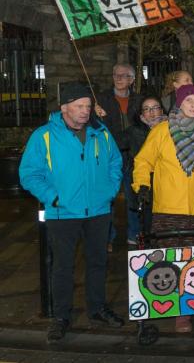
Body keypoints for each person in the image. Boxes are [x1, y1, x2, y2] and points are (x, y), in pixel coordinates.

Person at [19, 82, 125, 343]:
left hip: (98, 210)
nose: (85, 111)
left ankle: (97, 308)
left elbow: (115, 162)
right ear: (64, 108)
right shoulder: (43, 136)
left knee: (98, 262)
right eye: (79, 106)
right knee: (63, 267)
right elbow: (29, 174)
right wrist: (52, 197)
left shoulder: (101, 132)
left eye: (88, 106)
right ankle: (61, 316)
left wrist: (109, 191)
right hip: (63, 213)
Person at [132, 84, 194, 333]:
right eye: (189, 101)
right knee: (172, 259)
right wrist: (141, 185)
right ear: (179, 103)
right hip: (168, 207)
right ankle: (174, 308)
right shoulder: (162, 130)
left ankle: (191, 308)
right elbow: (143, 160)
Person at [95, 63, 143, 248]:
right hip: (109, 155)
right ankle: (108, 237)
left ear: (131, 80)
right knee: (108, 197)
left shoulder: (139, 100)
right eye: (116, 74)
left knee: (134, 196)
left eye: (124, 75)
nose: (119, 78)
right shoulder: (101, 99)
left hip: (133, 155)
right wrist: (95, 114)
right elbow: (92, 125)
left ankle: (134, 235)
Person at [124, 96, 167, 241]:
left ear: (161, 110)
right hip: (145, 182)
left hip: (166, 180)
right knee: (148, 220)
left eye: (155, 108)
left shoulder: (172, 128)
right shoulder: (134, 131)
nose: (152, 112)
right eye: (147, 109)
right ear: (141, 114)